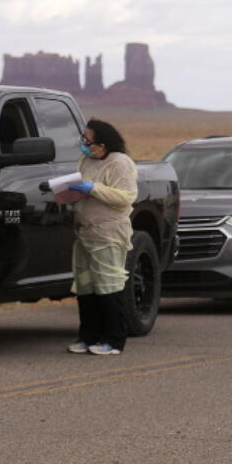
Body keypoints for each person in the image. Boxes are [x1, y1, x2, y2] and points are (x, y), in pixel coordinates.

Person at [66, 119, 138, 356]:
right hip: (85, 231)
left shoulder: (120, 163)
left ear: (103, 144)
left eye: (88, 140)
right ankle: (88, 336)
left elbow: (124, 197)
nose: (84, 144)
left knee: (109, 284)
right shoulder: (86, 161)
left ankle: (114, 339)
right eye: (83, 139)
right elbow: (79, 185)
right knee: (86, 286)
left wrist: (92, 188)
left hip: (108, 232)